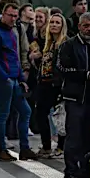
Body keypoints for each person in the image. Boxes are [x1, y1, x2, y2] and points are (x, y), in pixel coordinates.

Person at [57, 12, 90, 178]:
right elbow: (62, 69)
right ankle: (70, 172)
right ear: (79, 26)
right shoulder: (69, 45)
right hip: (74, 98)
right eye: (86, 25)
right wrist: (86, 75)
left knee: (88, 137)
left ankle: (86, 172)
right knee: (74, 136)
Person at [0, 3, 37, 162]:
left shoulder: (12, 32)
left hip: (12, 78)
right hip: (5, 79)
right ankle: (2, 149)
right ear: (3, 14)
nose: (13, 19)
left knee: (24, 111)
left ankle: (24, 148)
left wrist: (21, 78)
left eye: (15, 16)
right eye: (10, 15)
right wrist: (6, 77)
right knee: (3, 114)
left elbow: (15, 57)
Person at [36, 13, 68, 158]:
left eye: (58, 23)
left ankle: (61, 146)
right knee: (41, 114)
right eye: (52, 22)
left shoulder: (65, 43)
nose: (54, 25)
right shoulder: (47, 44)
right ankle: (46, 145)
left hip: (57, 85)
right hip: (44, 83)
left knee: (60, 115)